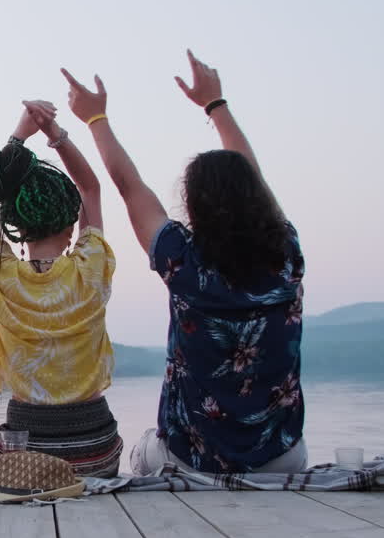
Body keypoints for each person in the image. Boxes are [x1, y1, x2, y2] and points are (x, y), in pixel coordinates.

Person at [62, 51, 307, 474]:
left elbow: (129, 186)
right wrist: (216, 105)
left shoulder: (182, 260)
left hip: (190, 462)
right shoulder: (285, 255)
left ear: (193, 206)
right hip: (281, 460)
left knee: (141, 449)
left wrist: (95, 119)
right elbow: (254, 182)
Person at [0, 100, 123, 478]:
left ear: (16, 225)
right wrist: (55, 134)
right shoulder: (91, 267)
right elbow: (90, 187)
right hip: (95, 453)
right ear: (72, 223)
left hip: (24, 457)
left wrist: (18, 136)